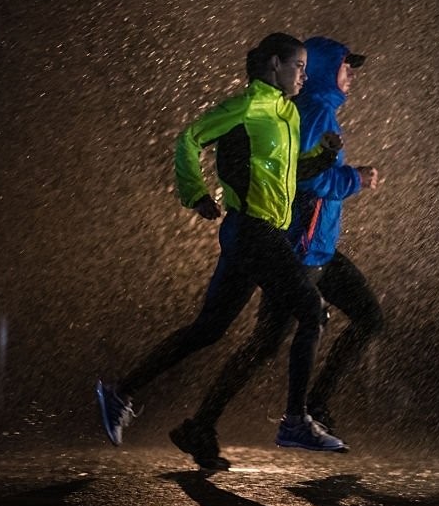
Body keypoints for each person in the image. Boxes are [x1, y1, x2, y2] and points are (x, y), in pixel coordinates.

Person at [95, 32, 349, 460]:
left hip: (256, 233)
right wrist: (195, 193)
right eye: (298, 66)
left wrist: (321, 161)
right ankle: (294, 422)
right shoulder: (248, 106)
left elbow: (282, 173)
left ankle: (120, 391)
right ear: (274, 65)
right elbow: (189, 138)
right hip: (252, 231)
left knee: (208, 330)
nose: (304, 75)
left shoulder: (285, 112)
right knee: (311, 311)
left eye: (306, 68)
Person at [169, 35, 384, 469]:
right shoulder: (315, 111)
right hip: (301, 250)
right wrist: (354, 179)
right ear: (325, 69)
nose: (352, 75)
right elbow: (303, 182)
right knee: (267, 343)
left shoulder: (314, 108)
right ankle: (213, 422)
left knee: (366, 319)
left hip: (319, 248)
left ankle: (310, 407)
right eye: (346, 66)